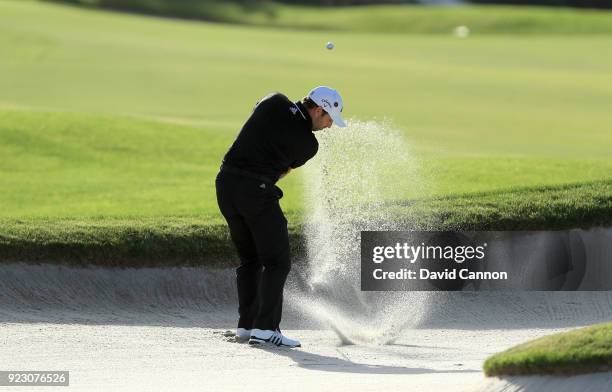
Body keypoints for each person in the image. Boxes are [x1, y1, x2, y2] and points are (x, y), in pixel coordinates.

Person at [215, 86, 346, 348]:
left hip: (225, 184)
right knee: (277, 262)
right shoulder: (309, 144)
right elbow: (283, 170)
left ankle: (247, 326)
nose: (329, 126)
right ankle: (266, 329)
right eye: (329, 119)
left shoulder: (273, 100)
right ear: (319, 110)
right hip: (256, 192)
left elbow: (257, 120)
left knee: (250, 260)